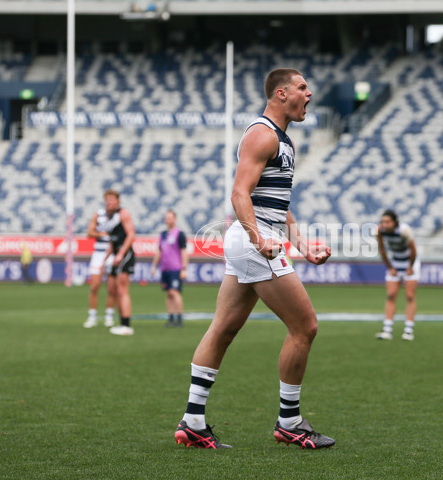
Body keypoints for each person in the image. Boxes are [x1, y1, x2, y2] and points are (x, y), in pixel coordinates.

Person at [174, 68, 335, 450]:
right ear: (281, 93)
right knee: (305, 326)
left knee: (223, 328)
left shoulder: (284, 142)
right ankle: (290, 422)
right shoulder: (262, 134)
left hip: (255, 239)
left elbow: (279, 207)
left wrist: (304, 246)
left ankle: (193, 421)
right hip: (252, 241)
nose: (309, 94)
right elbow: (239, 194)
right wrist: (258, 237)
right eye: (302, 87)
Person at [375, 209, 420, 341]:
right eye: (383, 221)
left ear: (394, 222)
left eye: (387, 222)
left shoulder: (404, 231)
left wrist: (410, 267)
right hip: (395, 262)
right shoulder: (379, 231)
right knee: (391, 295)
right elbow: (381, 249)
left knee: (410, 296)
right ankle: (387, 330)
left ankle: (408, 330)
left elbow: (413, 250)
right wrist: (390, 267)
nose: (384, 224)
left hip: (409, 263)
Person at [102, 190, 136, 336]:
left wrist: (121, 254)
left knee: (123, 290)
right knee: (115, 291)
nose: (109, 203)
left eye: (112, 200)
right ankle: (122, 322)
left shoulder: (123, 213)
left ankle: (127, 325)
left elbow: (131, 234)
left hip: (125, 254)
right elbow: (112, 241)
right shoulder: (109, 217)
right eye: (107, 200)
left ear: (117, 201)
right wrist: (105, 258)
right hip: (116, 255)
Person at [151, 210, 189, 328]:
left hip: (175, 268)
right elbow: (159, 252)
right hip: (165, 268)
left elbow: (184, 252)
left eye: (170, 218)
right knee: (168, 293)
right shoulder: (162, 234)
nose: (168, 220)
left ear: (175, 219)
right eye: (167, 218)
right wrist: (154, 266)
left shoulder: (179, 234)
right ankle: (171, 318)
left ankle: (179, 318)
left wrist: (184, 268)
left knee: (174, 292)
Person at [83, 206, 117, 328]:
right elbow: (89, 232)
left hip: (112, 253)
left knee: (112, 288)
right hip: (98, 254)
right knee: (94, 286)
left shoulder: (119, 215)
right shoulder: (98, 215)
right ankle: (92, 316)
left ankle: (109, 315)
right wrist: (101, 233)